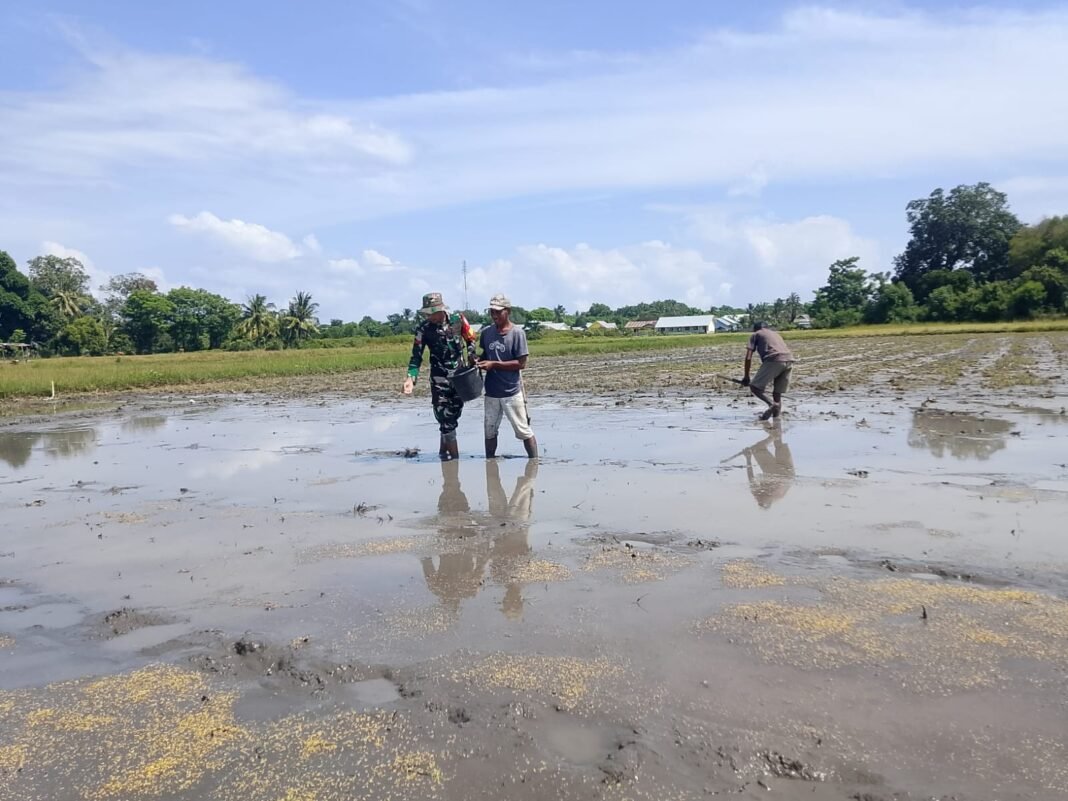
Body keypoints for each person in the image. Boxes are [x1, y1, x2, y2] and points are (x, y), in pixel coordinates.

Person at [403, 292, 476, 460]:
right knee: (445, 420)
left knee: (453, 417)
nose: (430, 317)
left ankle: (443, 455)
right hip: (439, 380)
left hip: (459, 378)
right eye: (427, 314)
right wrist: (410, 378)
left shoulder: (458, 320)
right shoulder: (423, 329)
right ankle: (455, 462)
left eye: (433, 313)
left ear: (441, 310)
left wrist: (472, 354)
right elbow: (416, 357)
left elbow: (470, 339)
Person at [476, 293, 537, 459]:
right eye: (492, 312)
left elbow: (521, 364)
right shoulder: (487, 333)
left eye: (498, 312)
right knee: (489, 430)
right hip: (491, 391)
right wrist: (477, 360)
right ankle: (490, 462)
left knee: (523, 430)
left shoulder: (517, 333)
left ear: (507, 311)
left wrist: (494, 364)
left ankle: (534, 462)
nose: (494, 315)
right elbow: (485, 356)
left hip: (511, 391)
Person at [742, 321, 795, 420]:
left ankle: (772, 404)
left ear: (755, 329)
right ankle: (776, 420)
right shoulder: (775, 334)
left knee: (754, 387)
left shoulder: (756, 334)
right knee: (777, 394)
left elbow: (748, 357)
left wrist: (746, 376)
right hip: (789, 360)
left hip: (774, 360)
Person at [743, 424, 795, 509]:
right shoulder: (761, 499)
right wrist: (748, 457)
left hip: (790, 476)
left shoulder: (779, 497)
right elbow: (751, 479)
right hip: (777, 475)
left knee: (779, 445)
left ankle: (776, 420)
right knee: (757, 449)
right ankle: (774, 435)